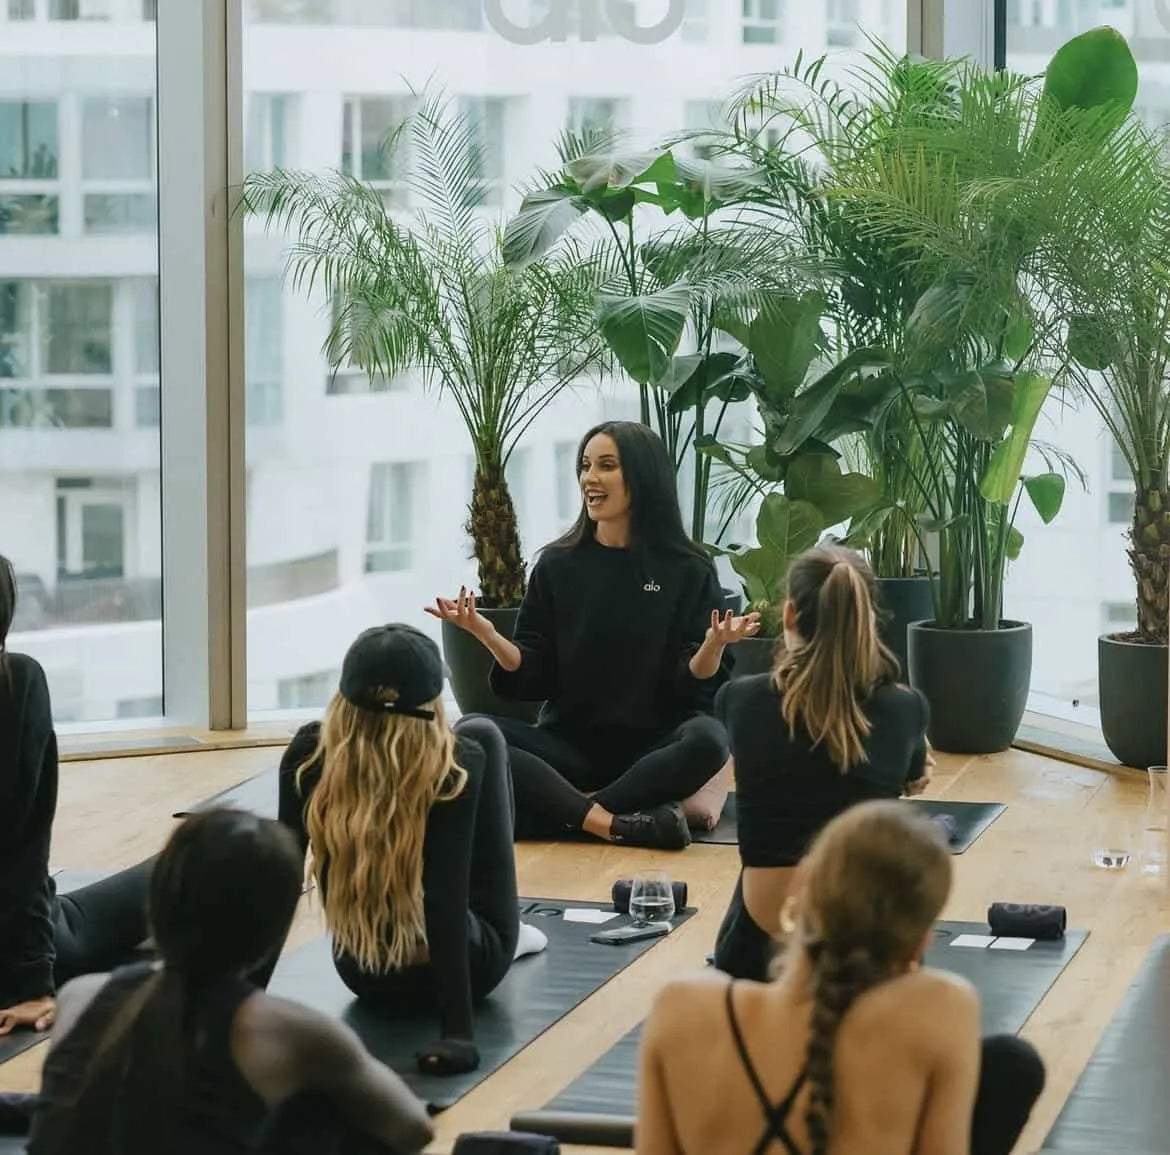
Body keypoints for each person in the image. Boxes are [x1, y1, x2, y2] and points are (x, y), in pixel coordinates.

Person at [637, 801, 1045, 1155]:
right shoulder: (941, 1007)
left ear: (798, 888)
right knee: (1013, 1063)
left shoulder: (680, 1007)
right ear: (919, 942)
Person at [26, 807, 434, 1155]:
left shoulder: (80, 996)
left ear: (156, 903)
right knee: (320, 1108)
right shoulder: (292, 1031)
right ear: (272, 927)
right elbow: (413, 1129)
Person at [429, 420, 759, 851]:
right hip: (569, 747)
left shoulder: (687, 568)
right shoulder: (556, 565)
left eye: (606, 465)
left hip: (654, 750)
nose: (590, 478)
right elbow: (535, 676)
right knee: (469, 731)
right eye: (585, 466)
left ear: (641, 478)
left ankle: (573, 817)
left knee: (710, 740)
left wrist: (713, 644)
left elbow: (693, 683)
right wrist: (487, 633)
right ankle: (617, 823)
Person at [279, 623, 542, 1079]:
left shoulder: (309, 753)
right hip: (473, 964)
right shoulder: (457, 761)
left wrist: (237, 1016)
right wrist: (458, 1034)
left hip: (364, 969)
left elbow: (277, 886)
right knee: (484, 731)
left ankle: (517, 935)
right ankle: (516, 933)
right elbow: (445, 900)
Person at [712, 544, 934, 982]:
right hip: (867, 947)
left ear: (790, 616)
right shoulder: (907, 708)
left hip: (760, 949)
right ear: (866, 619)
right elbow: (913, 776)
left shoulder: (739, 700)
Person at [0, 553, 154, 1041]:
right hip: (16, 950)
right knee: (187, 866)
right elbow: (25, 850)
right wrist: (34, 984)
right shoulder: (17, 683)